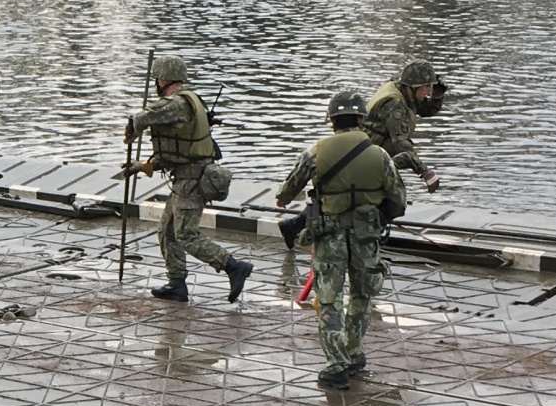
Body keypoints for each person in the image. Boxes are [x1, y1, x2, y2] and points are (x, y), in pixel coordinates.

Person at [275, 86, 406, 387]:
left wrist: (288, 199)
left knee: (329, 299)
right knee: (362, 295)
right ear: (361, 120)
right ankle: (354, 353)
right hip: (366, 236)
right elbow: (398, 200)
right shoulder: (381, 156)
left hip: (329, 236)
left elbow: (286, 192)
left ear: (332, 120)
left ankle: (336, 366)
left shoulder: (316, 152)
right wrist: (375, 215)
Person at [127, 54, 252, 304]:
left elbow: (144, 116)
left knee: (185, 234)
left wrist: (134, 125)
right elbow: (177, 150)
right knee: (168, 231)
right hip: (185, 177)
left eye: (157, 78)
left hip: (192, 180)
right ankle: (177, 284)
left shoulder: (177, 104)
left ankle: (233, 266)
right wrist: (144, 166)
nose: (156, 83)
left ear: (164, 79)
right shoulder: (189, 100)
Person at [364, 58, 447, 192]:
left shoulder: (402, 91)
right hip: (367, 158)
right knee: (405, 158)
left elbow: (425, 110)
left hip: (373, 152)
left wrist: (438, 96)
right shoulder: (394, 105)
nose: (429, 91)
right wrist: (424, 172)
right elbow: (401, 143)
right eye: (427, 86)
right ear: (413, 87)